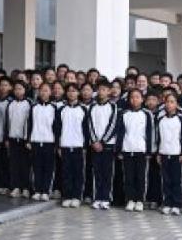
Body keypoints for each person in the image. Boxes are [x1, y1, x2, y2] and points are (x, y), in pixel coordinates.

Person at [116, 88, 153, 212]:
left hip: (141, 151)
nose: (134, 99)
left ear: (142, 99)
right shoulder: (124, 114)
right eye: (132, 97)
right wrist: (119, 150)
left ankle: (140, 200)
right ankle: (130, 199)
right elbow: (120, 133)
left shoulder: (147, 114)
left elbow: (149, 133)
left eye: (137, 97)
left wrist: (149, 151)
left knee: (141, 177)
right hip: (127, 150)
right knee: (129, 176)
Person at [86, 80, 119, 210]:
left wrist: (103, 141)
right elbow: (89, 125)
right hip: (95, 145)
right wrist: (94, 141)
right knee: (97, 172)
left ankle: (106, 198)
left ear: (109, 91)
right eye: (99, 89)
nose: (101, 92)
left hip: (108, 145)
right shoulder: (92, 107)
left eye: (104, 89)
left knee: (107, 172)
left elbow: (113, 125)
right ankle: (97, 197)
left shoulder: (113, 106)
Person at [155, 91, 182, 215]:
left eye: (172, 102)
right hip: (164, 153)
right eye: (167, 102)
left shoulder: (181, 119)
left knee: (176, 180)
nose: (169, 104)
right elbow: (158, 137)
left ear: (176, 104)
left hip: (177, 154)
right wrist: (158, 152)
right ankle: (167, 203)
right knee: (166, 180)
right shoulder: (161, 119)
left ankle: (177, 204)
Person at [55, 84, 88, 207]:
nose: (71, 93)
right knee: (66, 172)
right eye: (69, 91)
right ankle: (67, 196)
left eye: (74, 91)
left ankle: (77, 196)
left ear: (78, 93)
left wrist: (85, 146)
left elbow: (86, 129)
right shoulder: (61, 110)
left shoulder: (83, 109)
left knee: (78, 172)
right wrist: (58, 146)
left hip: (79, 146)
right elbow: (57, 129)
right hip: (65, 145)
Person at [28, 83, 58, 202]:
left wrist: (56, 143)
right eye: (42, 90)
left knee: (48, 168)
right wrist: (29, 139)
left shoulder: (54, 108)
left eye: (46, 90)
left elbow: (56, 127)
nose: (44, 93)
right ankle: (37, 190)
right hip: (36, 141)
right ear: (39, 92)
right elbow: (30, 124)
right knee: (36, 167)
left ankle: (45, 191)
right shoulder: (34, 107)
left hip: (49, 142)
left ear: (50, 92)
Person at [4, 81, 33, 198]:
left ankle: (26, 187)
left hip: (24, 140)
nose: (18, 91)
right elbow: (7, 122)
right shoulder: (10, 104)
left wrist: (29, 139)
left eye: (20, 88)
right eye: (16, 89)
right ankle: (15, 187)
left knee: (25, 164)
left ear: (25, 90)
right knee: (14, 164)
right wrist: (7, 137)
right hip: (12, 138)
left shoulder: (29, 103)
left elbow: (31, 123)